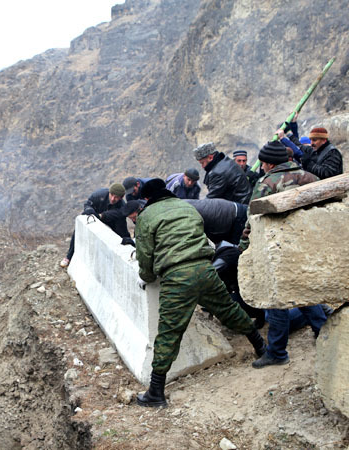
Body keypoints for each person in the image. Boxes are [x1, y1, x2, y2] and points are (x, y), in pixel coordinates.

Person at [134, 178, 265, 408]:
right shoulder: (187, 207)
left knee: (169, 332)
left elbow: (145, 257)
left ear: (146, 198)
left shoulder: (146, 216)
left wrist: (147, 276)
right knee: (229, 310)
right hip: (206, 269)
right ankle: (261, 348)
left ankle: (156, 392)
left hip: (177, 277)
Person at [238, 140, 328, 368]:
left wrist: (244, 246)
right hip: (306, 247)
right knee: (303, 290)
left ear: (269, 164)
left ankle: (277, 352)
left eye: (263, 163)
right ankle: (323, 333)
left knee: (276, 298)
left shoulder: (266, 183)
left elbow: (252, 219)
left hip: (277, 251)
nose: (262, 167)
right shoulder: (310, 177)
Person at [60, 183, 129, 268]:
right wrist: (89, 210)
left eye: (116, 197)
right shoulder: (99, 195)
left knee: (121, 234)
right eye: (111, 195)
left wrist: (101, 216)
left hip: (111, 222)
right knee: (78, 229)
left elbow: (119, 217)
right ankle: (69, 256)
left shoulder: (122, 206)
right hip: (93, 217)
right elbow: (88, 204)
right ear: (109, 192)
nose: (112, 199)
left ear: (121, 197)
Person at [212, 241, 265, 328]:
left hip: (249, 293)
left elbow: (210, 274)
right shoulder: (226, 250)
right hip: (242, 288)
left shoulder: (225, 255)